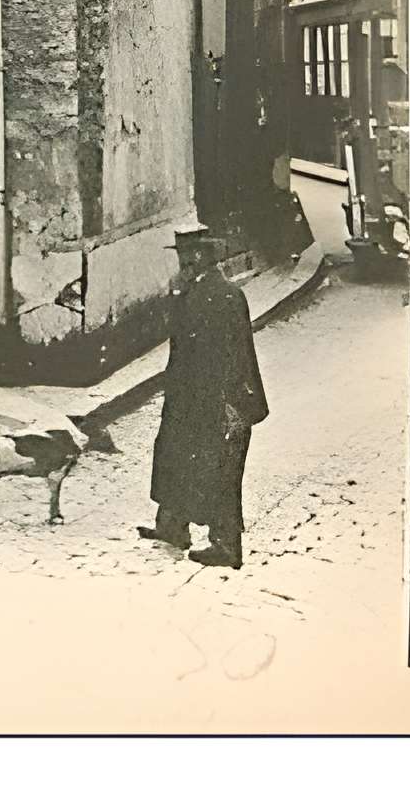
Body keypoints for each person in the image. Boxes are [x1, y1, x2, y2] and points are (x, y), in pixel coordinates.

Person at [138, 221, 269, 568]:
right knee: (172, 453)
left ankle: (227, 545)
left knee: (219, 469)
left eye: (185, 255)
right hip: (188, 395)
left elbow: (237, 354)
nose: (181, 262)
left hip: (216, 399)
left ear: (199, 255)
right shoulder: (194, 291)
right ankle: (172, 526)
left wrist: (233, 405)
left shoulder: (223, 296)